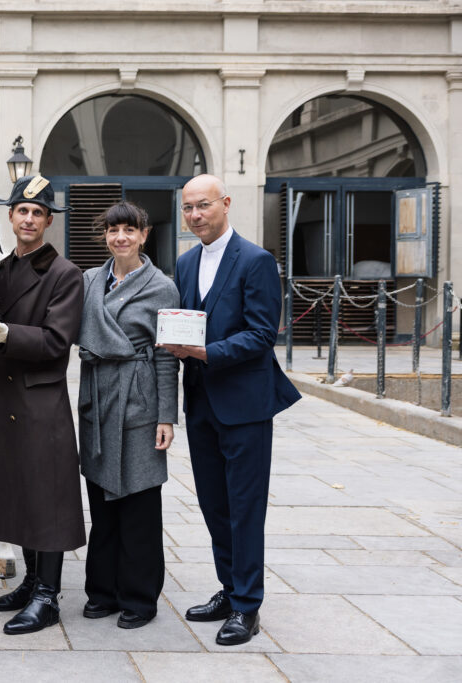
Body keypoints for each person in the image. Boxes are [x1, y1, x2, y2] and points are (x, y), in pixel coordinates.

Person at [160, 174, 301, 646]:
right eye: (188, 208)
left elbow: (262, 334)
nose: (195, 215)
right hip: (201, 401)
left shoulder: (256, 260)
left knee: (245, 508)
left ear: (225, 203)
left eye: (203, 205)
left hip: (244, 405)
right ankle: (229, 587)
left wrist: (205, 353)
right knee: (214, 505)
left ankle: (248, 606)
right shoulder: (185, 262)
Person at [0, 174, 85, 635]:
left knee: (46, 497)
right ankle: (32, 581)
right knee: (18, 491)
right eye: (22, 211)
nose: (29, 219)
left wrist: (6, 334)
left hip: (39, 399)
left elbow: (57, 341)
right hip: (3, 394)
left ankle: (47, 597)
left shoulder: (64, 273)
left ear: (49, 221)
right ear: (10, 217)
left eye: (38, 212)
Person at [76, 201, 179, 630]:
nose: (121, 237)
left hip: (139, 398)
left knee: (139, 504)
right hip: (98, 397)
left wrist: (166, 416)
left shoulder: (162, 287)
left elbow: (167, 356)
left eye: (129, 230)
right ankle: (102, 591)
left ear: (144, 235)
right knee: (101, 504)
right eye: (113, 230)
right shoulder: (88, 281)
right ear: (105, 236)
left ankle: (139, 597)